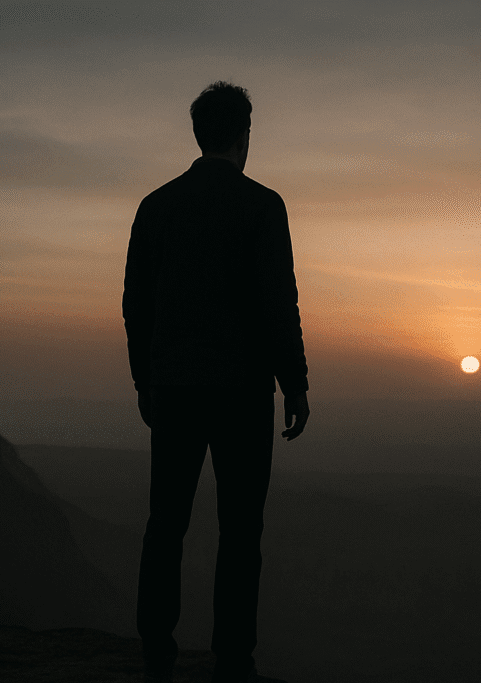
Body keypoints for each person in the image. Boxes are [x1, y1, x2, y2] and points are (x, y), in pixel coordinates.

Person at [123, 81, 310, 683]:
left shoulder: (157, 206)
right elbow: (278, 302)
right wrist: (295, 382)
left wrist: (145, 381)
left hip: (175, 388)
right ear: (243, 136)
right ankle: (233, 655)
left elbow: (136, 303)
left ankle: (156, 644)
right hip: (243, 392)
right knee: (241, 528)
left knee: (166, 520)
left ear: (199, 133)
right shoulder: (263, 206)